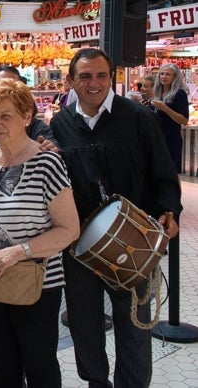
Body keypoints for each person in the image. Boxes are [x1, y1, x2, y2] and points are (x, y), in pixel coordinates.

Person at [50, 48, 181, 388]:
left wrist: (170, 210)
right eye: (85, 76)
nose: (94, 84)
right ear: (70, 81)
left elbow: (163, 170)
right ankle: (96, 381)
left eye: (101, 76)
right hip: (79, 246)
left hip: (134, 238)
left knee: (134, 322)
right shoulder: (60, 124)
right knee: (84, 322)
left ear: (111, 77)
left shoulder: (138, 117)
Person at [0, 79, 79, 388]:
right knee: (1, 366)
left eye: (6, 115)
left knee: (40, 366)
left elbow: (69, 229)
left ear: (27, 116)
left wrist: (17, 251)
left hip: (36, 284)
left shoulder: (47, 163)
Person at [152, 63, 190, 172]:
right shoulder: (158, 93)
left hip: (171, 140)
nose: (164, 77)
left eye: (168, 74)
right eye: (162, 74)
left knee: (170, 175)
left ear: (175, 77)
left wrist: (165, 109)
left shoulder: (179, 94)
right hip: (157, 140)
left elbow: (184, 120)